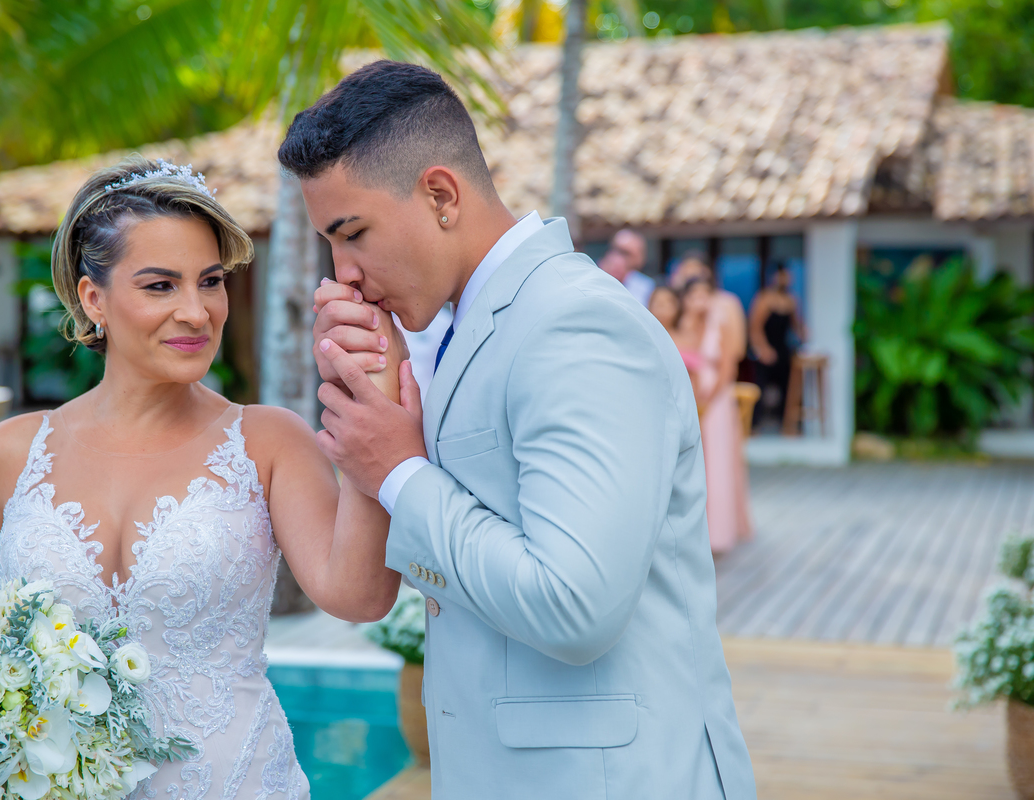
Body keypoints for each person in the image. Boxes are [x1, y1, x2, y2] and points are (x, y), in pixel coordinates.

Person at [281, 61, 755, 799]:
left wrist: (400, 472)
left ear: (440, 194)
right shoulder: (457, 323)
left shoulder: (575, 323)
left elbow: (575, 603)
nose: (345, 275)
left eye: (354, 234)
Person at [0, 157, 410, 800]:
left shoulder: (267, 441)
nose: (196, 312)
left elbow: (360, 596)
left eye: (210, 281)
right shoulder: (9, 452)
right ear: (94, 299)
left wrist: (376, 433)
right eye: (159, 286)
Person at [674, 277, 753, 555]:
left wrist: (709, 399)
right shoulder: (683, 326)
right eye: (693, 295)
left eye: (704, 294)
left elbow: (729, 366)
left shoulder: (721, 324)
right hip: (692, 399)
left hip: (716, 402)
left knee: (716, 465)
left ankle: (718, 532)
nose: (700, 301)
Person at [749, 264, 806, 428]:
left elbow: (797, 325)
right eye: (782, 275)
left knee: (788, 387)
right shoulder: (764, 299)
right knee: (760, 388)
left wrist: (804, 333)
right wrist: (763, 349)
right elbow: (755, 328)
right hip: (765, 349)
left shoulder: (791, 300)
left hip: (782, 349)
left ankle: (787, 423)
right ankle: (755, 425)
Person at [598, 228, 654, 306]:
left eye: (625, 253)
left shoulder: (648, 288)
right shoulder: (595, 278)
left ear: (641, 257)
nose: (618, 258)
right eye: (614, 250)